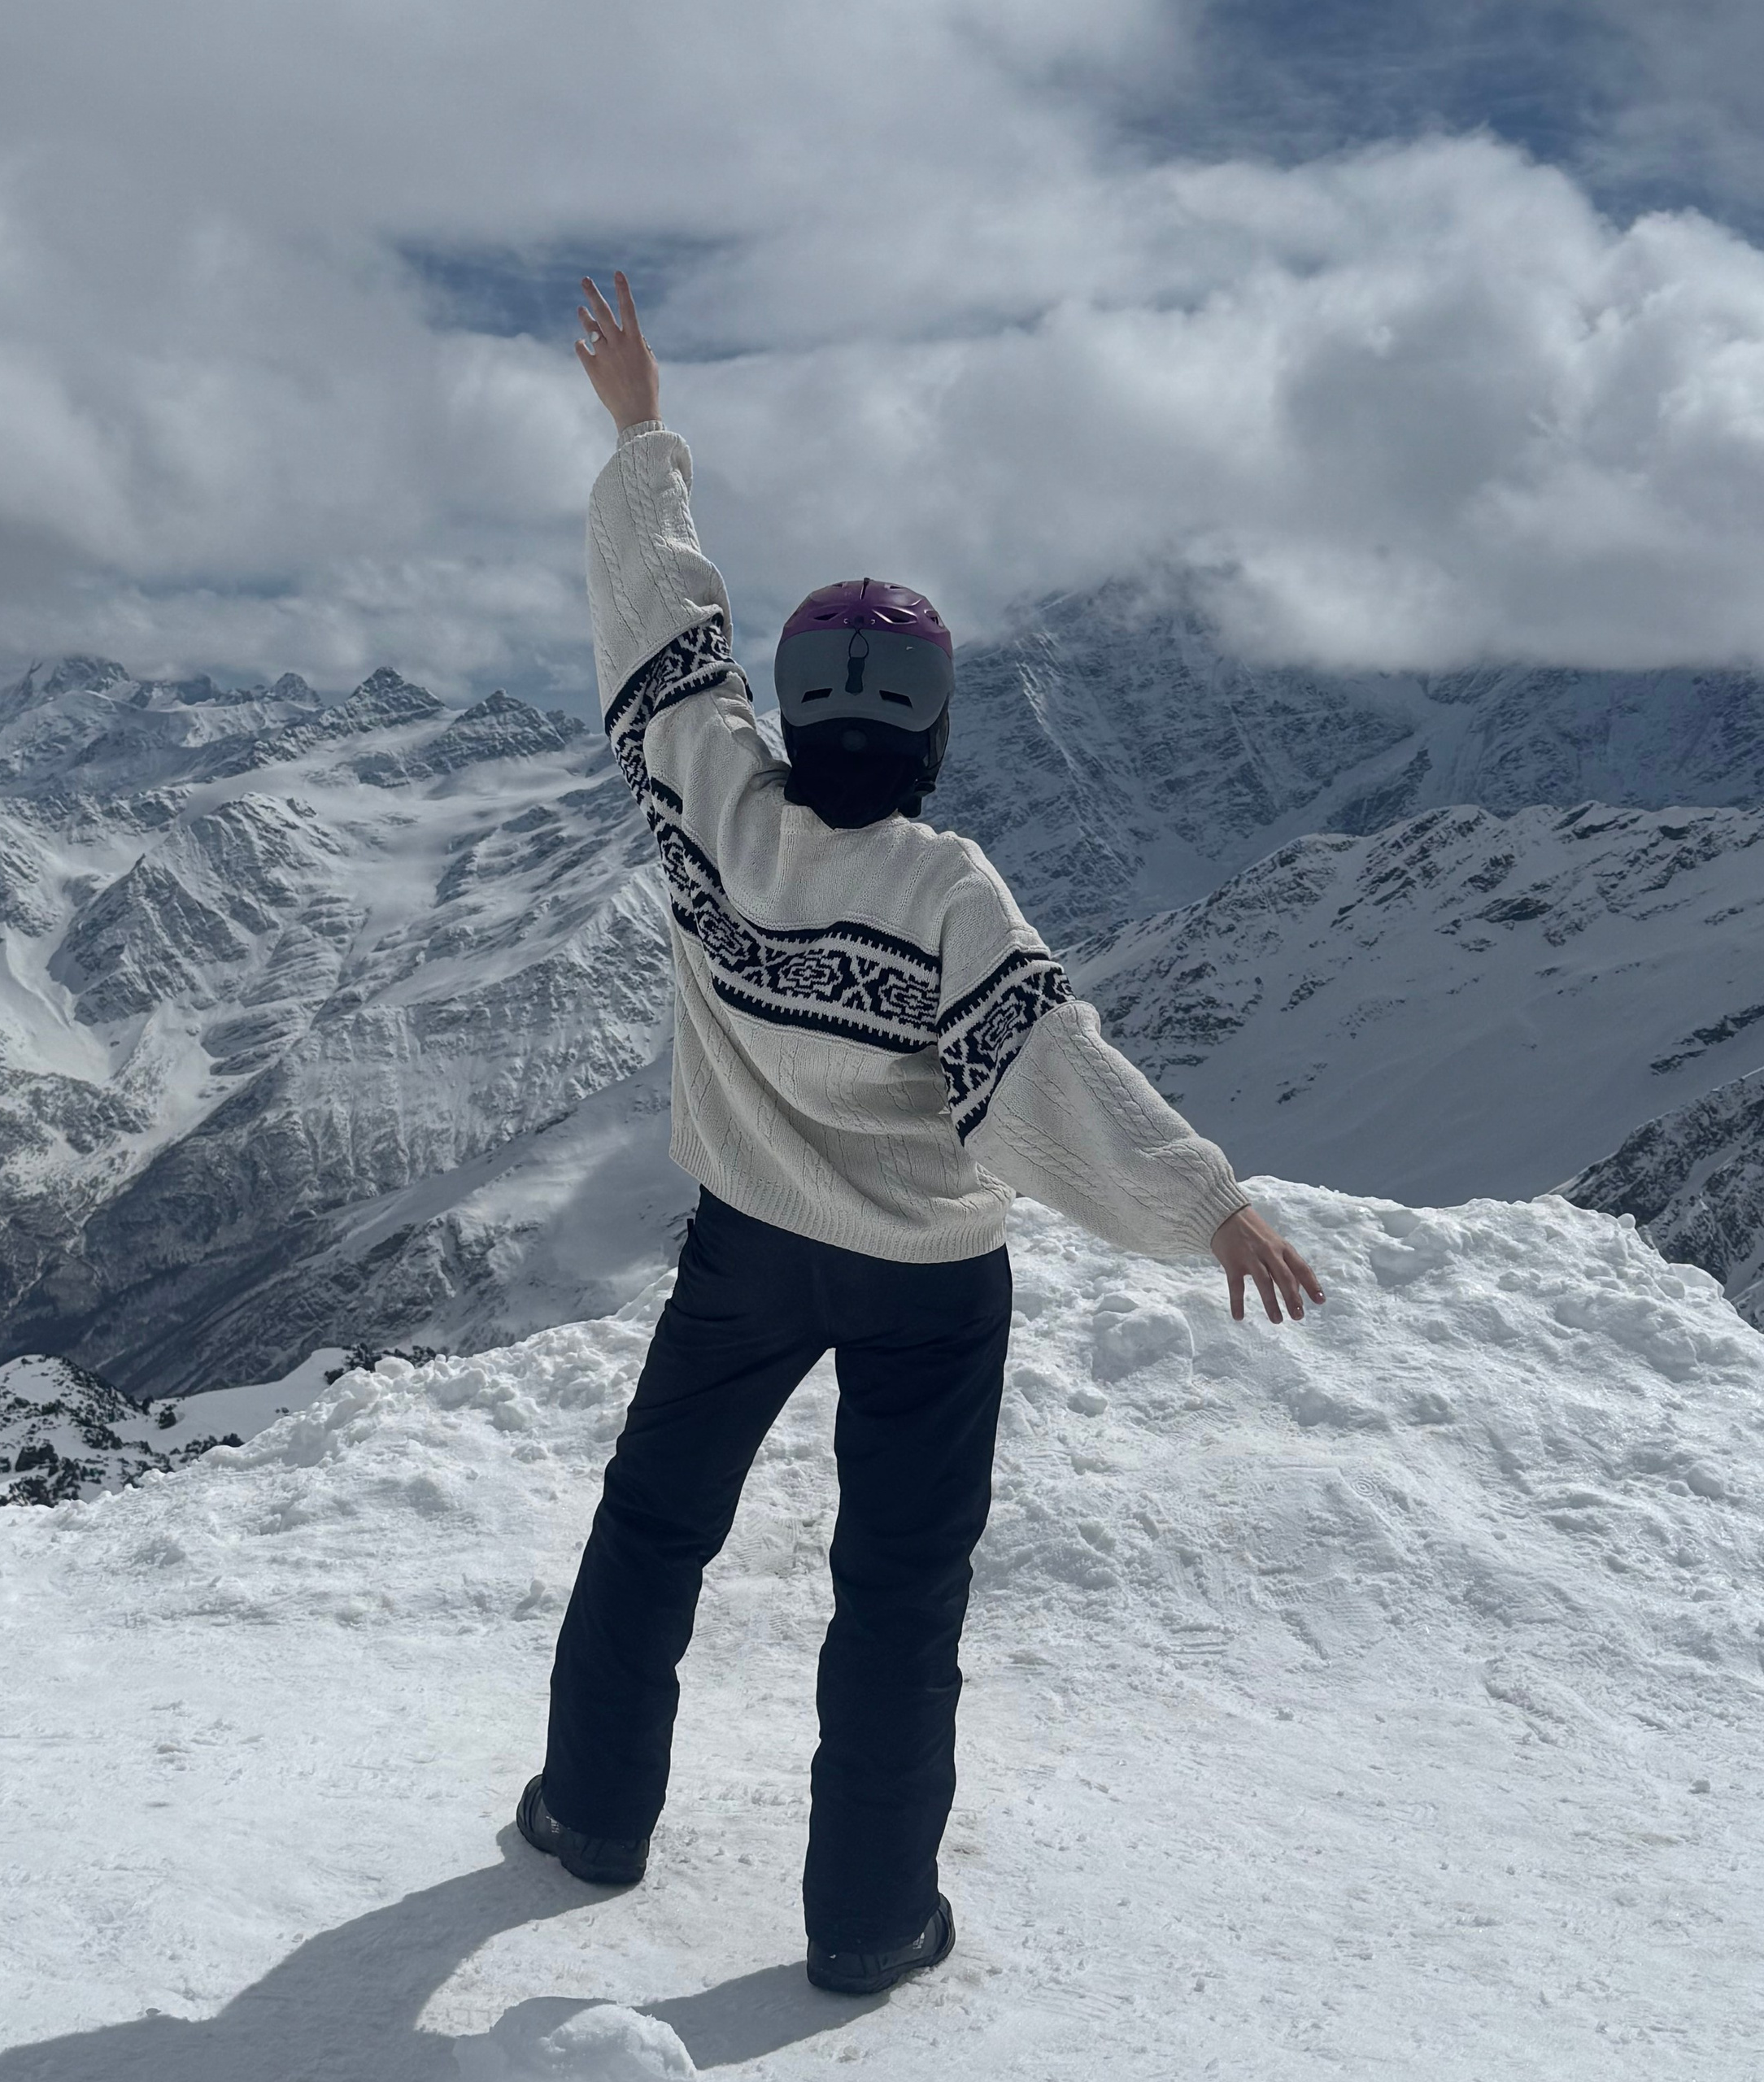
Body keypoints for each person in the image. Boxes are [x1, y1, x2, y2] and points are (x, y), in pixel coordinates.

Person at [517, 272, 1325, 1996]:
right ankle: (866, 1921)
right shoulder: (946, 890)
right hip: (924, 1288)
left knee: (653, 1519)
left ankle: (589, 1816)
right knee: (895, 1595)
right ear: (936, 731)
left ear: (799, 714)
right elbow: (1047, 1072)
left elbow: (663, 619)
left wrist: (643, 429)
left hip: (741, 1243)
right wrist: (1205, 1208)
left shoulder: (714, 795)